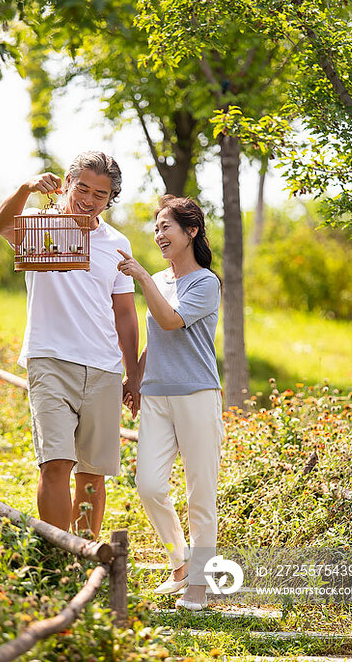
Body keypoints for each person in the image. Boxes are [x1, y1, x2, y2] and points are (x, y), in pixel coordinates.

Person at [0, 151, 140, 538]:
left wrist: (134, 375)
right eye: (83, 188)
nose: (89, 200)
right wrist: (26, 187)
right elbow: (0, 224)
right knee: (55, 464)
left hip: (105, 369)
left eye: (101, 194)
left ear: (111, 199)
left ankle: (85, 557)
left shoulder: (117, 242)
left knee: (92, 473)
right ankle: (58, 559)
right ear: (67, 183)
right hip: (50, 359)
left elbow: (124, 313)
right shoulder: (41, 226)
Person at [117, 195, 223, 611]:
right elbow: (158, 336)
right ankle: (179, 561)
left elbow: (171, 320)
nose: (159, 234)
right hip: (157, 395)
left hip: (197, 395)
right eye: (157, 227)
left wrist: (142, 277)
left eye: (167, 227)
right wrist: (136, 376)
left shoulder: (205, 283)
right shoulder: (159, 280)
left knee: (201, 492)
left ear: (191, 231)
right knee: (149, 485)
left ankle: (199, 583)